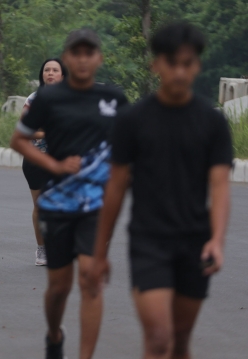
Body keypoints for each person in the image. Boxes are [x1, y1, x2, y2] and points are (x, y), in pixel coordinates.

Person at [89, 22, 232, 359]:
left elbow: (220, 184)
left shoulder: (212, 123)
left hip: (195, 240)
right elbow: (116, 187)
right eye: (172, 63)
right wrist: (99, 252)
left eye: (188, 63)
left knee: (180, 340)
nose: (180, 72)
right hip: (148, 241)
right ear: (156, 64)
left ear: (198, 65)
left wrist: (217, 239)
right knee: (158, 336)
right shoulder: (132, 120)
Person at [11, 28, 128, 359]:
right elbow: (18, 139)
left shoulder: (114, 99)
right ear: (66, 58)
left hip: (94, 205)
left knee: (91, 282)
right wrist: (54, 164)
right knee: (59, 288)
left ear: (98, 58)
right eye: (75, 52)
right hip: (57, 203)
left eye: (88, 52)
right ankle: (54, 334)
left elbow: (130, 147)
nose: (82, 58)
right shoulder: (47, 99)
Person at [20, 58, 66, 266]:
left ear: (63, 75)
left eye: (55, 70)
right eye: (47, 70)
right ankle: (42, 250)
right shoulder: (33, 99)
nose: (50, 73)